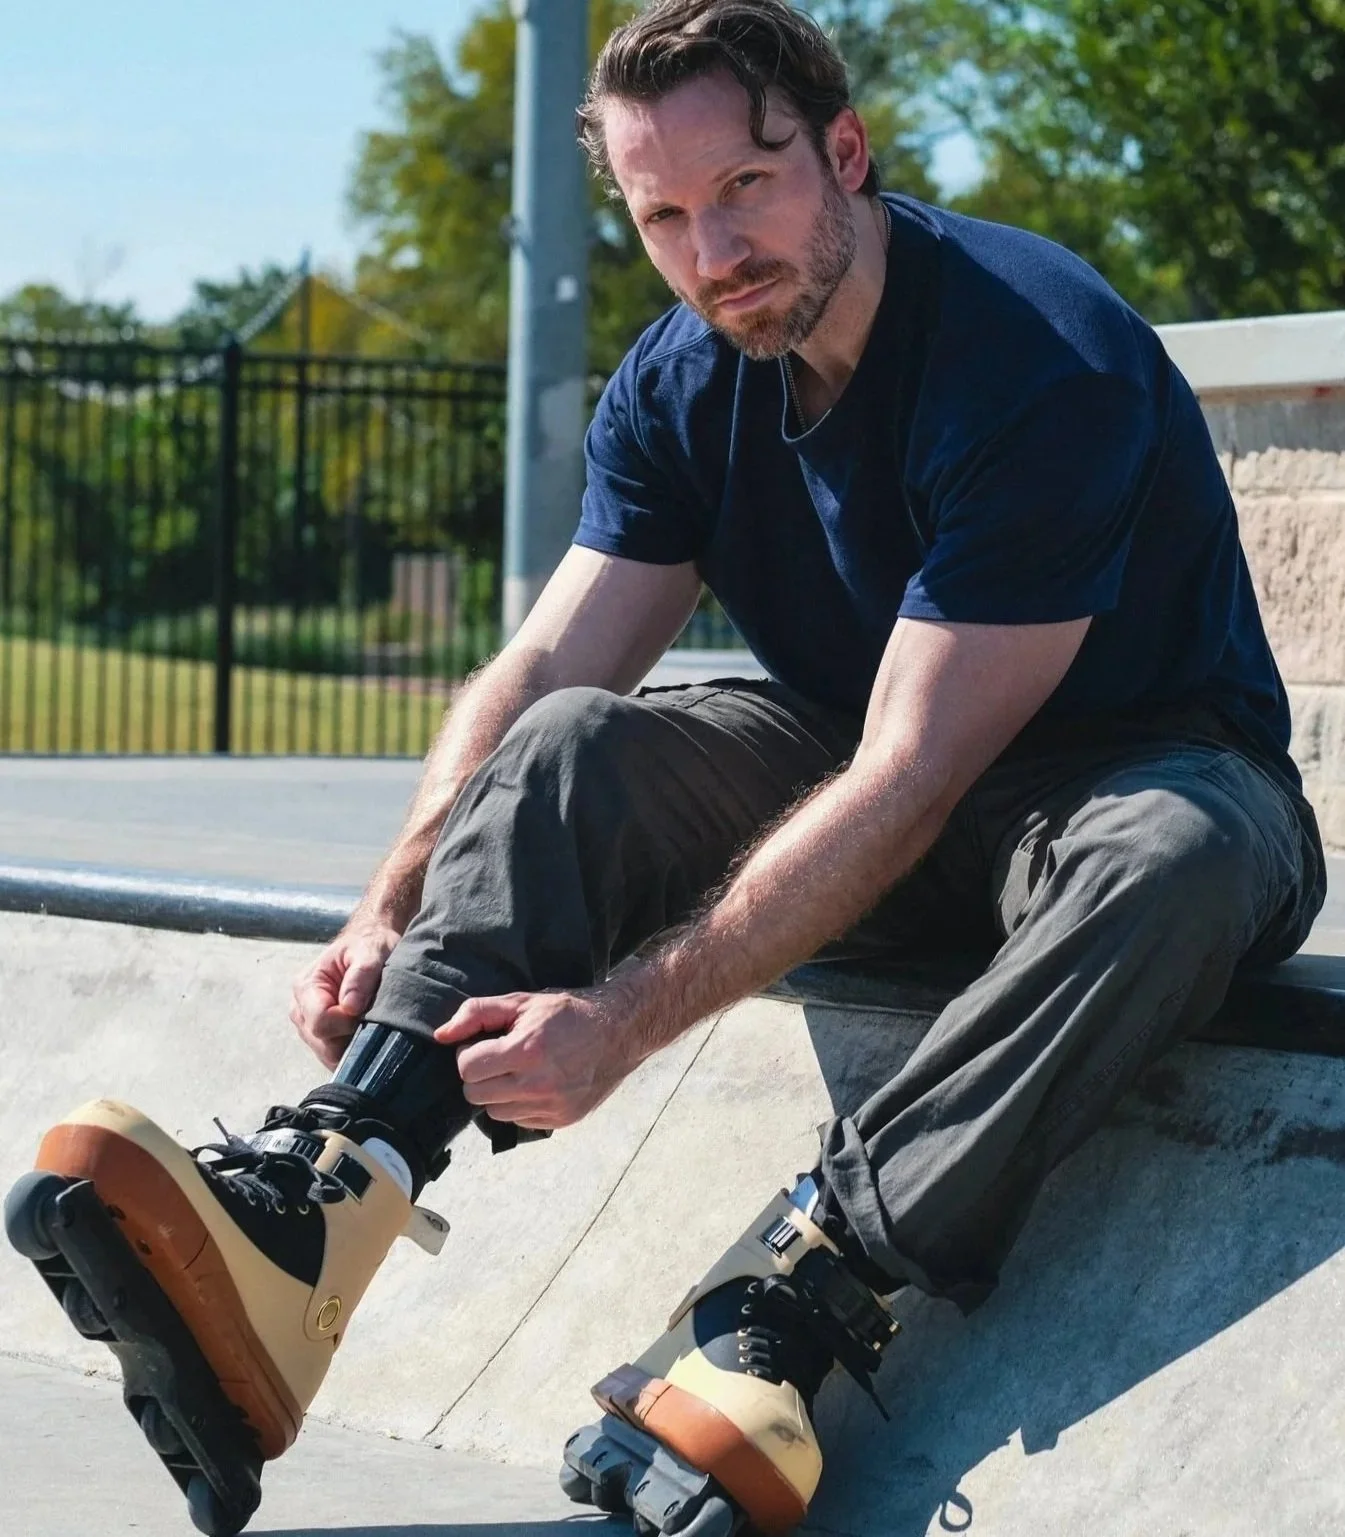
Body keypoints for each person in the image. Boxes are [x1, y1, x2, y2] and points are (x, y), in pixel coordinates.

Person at [8, 3, 1325, 1533]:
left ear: (844, 153)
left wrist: (623, 1021)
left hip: (1126, 780)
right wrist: (389, 900)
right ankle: (327, 1200)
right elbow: (551, 665)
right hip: (864, 758)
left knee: (1177, 860)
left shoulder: (1037, 356)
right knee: (567, 743)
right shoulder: (685, 375)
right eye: (665, 218)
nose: (713, 255)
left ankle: (802, 1288)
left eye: (746, 190)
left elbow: (914, 774)